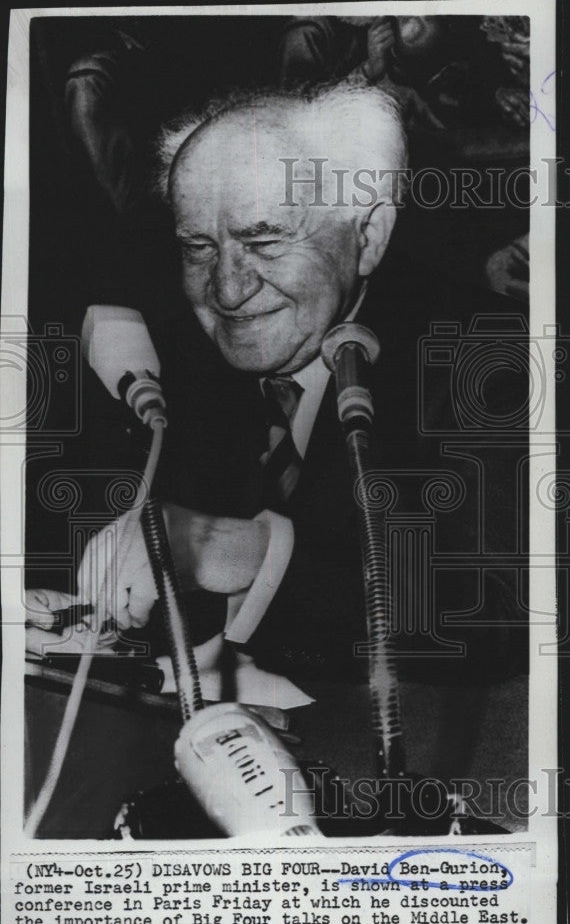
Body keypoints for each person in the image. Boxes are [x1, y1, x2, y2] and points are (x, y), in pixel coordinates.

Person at [26, 83, 527, 800]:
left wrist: (250, 551)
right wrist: (64, 616)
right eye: (198, 247)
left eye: (264, 240)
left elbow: (501, 608)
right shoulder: (169, 364)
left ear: (369, 234)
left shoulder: (492, 357)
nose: (227, 289)